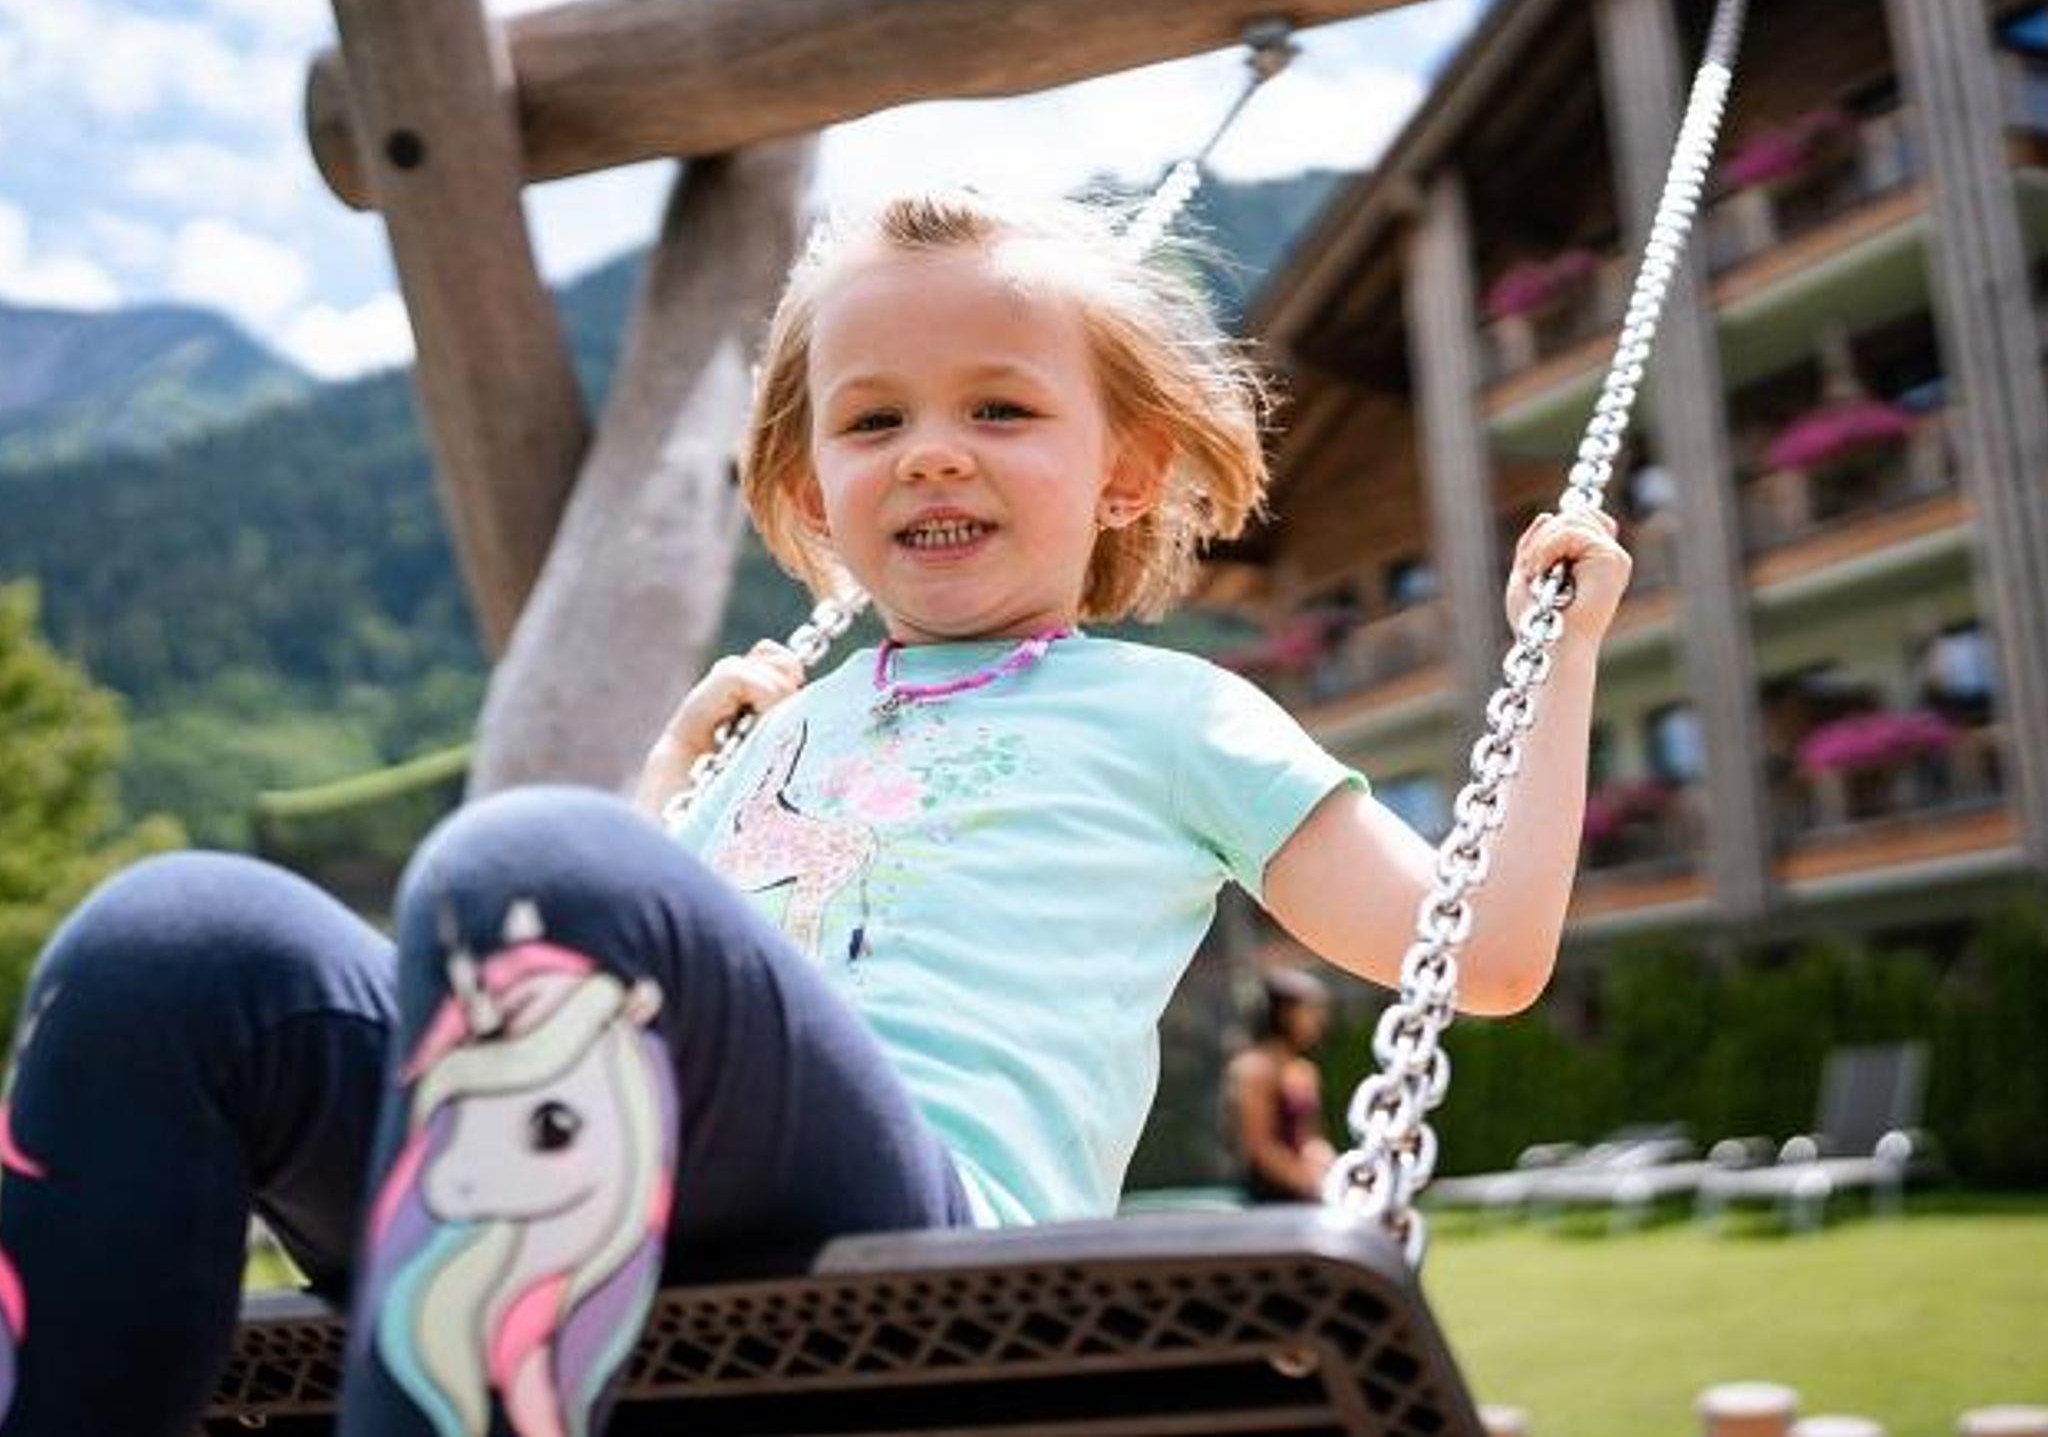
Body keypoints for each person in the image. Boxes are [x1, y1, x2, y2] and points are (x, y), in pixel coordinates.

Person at [0, 188, 1630, 1437]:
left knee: (538, 865)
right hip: (596, 1214)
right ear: (809, 488)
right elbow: (563, 990)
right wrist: (667, 791)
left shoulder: (1173, 711)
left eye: (1000, 409)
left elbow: (1476, 953)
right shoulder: (769, 730)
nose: (931, 453)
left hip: (927, 1270)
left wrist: (1553, 661)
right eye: (873, 419)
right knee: (179, 941)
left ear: (1126, 471)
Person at [1227, 967, 1337, 1203]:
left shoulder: (1304, 1069)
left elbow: (1309, 1136)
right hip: (1268, 1197)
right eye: (1310, 1011)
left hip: (1306, 1191)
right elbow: (1259, 1146)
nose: (1319, 1021)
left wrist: (1326, 1164)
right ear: (1284, 1013)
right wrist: (1305, 1183)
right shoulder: (1254, 1069)